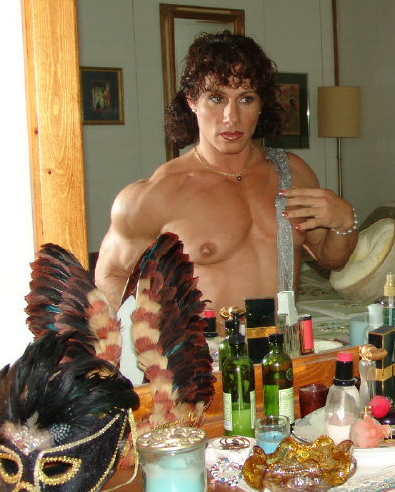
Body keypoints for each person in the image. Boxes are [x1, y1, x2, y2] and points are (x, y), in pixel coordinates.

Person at [95, 31, 357, 326]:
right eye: (216, 99)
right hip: (207, 352)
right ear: (192, 101)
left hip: (280, 346)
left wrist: (344, 224)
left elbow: (332, 259)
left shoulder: (293, 173)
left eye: (246, 99)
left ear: (261, 104)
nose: (231, 117)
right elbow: (110, 275)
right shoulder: (157, 194)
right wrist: (158, 335)